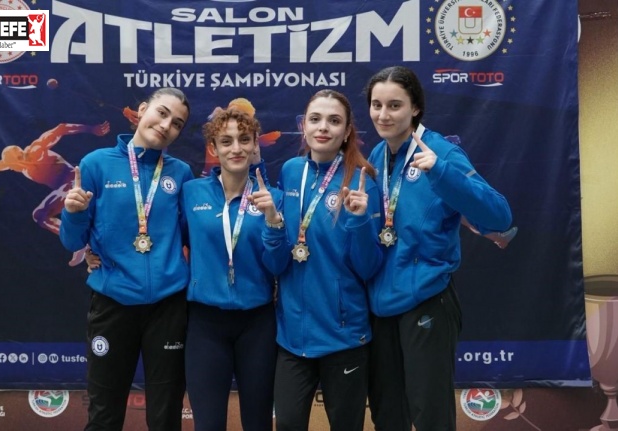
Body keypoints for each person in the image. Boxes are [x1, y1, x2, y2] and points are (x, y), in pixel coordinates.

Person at [364, 65, 512, 431]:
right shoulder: (377, 156)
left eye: (394, 105)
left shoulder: (440, 152)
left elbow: (499, 216)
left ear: (415, 108)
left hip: (426, 301)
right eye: (376, 105)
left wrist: (441, 172)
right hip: (380, 307)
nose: (383, 115)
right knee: (387, 415)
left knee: (431, 417)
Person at [60, 87, 192, 431]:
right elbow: (72, 241)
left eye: (177, 123)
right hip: (112, 303)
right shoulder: (96, 164)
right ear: (142, 109)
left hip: (168, 307)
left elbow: (193, 235)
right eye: (162, 113)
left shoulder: (180, 174)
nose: (166, 125)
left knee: (165, 416)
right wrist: (73, 213)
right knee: (104, 414)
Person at [257, 89, 383, 431]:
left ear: (347, 131)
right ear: (304, 126)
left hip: (344, 336)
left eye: (334, 120)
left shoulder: (361, 180)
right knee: (287, 423)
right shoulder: (291, 171)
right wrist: (273, 224)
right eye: (315, 119)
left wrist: (359, 221)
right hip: (292, 338)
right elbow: (277, 263)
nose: (323, 127)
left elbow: (369, 268)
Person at [182, 107, 282, 431]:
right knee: (208, 425)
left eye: (244, 139)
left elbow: (279, 265)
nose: (236, 148)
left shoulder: (273, 198)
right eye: (226, 141)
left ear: (255, 145)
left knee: (258, 423)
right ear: (213, 148)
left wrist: (272, 221)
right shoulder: (191, 193)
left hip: (258, 324)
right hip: (205, 325)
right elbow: (163, 240)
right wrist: (94, 251)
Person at [0, 121, 110, 266]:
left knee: (45, 212)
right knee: (40, 215)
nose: (17, 166)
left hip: (75, 181)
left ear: (21, 154)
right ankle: (80, 240)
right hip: (64, 189)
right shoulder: (16, 164)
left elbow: (61, 128)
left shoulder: (36, 150)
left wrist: (91, 129)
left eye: (18, 161)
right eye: (13, 166)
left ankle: (80, 238)